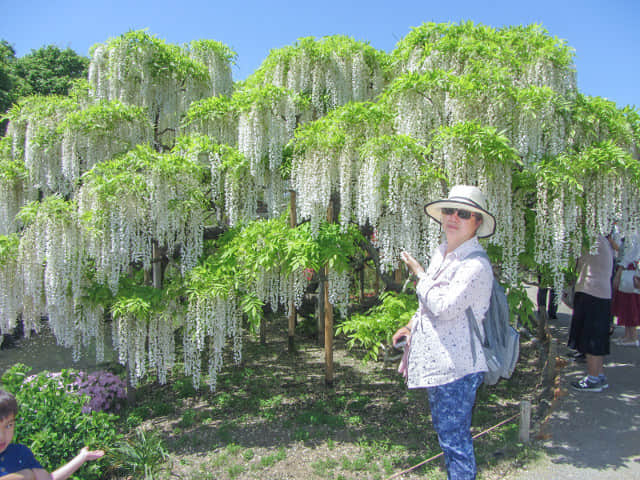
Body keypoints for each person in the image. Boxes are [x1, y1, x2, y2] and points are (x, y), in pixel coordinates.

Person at [392, 185, 495, 480]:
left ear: (477, 222)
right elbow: (427, 304)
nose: (453, 218)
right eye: (449, 211)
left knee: (455, 443)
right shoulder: (443, 253)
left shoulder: (475, 265)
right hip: (438, 364)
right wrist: (411, 326)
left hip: (458, 368)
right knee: (448, 439)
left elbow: (443, 306)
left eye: (463, 214)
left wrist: (419, 273)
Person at [0, 389, 104, 480]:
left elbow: (48, 479)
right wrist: (26, 475)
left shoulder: (21, 453)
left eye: (8, 425)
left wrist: (82, 457)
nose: (2, 436)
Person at [568, 232, 617, 392]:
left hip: (592, 293)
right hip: (601, 294)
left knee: (591, 339)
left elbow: (576, 259)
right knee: (598, 337)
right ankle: (599, 375)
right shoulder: (604, 242)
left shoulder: (592, 240)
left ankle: (593, 378)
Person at [611, 233, 640, 346]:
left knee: (631, 304)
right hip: (627, 270)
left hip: (629, 271)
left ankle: (633, 337)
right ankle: (628, 335)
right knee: (626, 304)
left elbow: (629, 255)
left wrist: (619, 271)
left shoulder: (634, 234)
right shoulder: (630, 232)